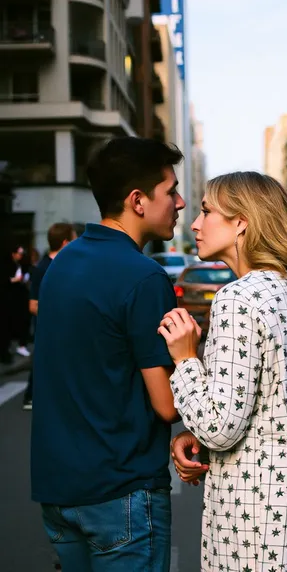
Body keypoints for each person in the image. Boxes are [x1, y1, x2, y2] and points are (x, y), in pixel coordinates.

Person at [160, 172, 287, 572]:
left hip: (257, 505)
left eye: (206, 211)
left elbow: (220, 427)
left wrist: (185, 359)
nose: (196, 224)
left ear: (241, 222)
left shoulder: (238, 298)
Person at [31, 137, 185, 571]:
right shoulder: (144, 277)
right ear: (138, 200)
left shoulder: (62, 263)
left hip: (58, 489)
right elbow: (167, 405)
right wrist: (188, 355)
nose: (181, 201)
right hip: (121, 492)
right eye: (170, 190)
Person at [22, 223, 76, 410]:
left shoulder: (65, 266)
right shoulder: (43, 268)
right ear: (65, 242)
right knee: (43, 362)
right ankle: (31, 396)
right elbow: (32, 304)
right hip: (48, 328)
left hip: (63, 328)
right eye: (74, 239)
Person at [8, 245, 31, 357]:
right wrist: (14, 280)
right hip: (11, 298)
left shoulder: (23, 264)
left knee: (24, 320)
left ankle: (22, 345)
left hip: (21, 296)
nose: (21, 256)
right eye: (19, 253)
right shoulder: (8, 266)